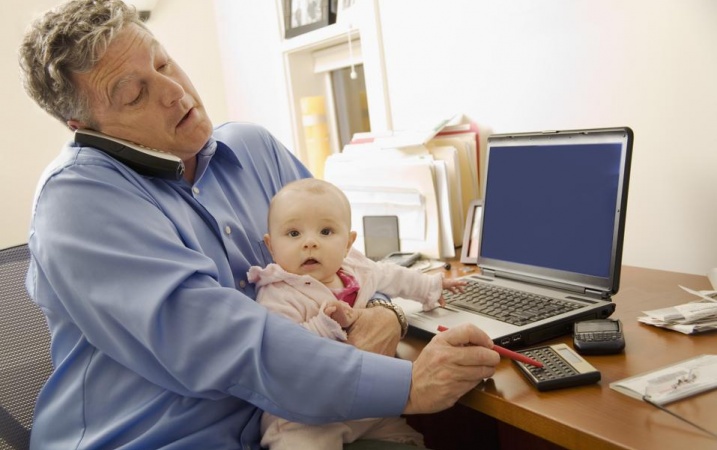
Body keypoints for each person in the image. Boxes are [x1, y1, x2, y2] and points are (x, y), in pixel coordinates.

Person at [18, 1, 500, 449]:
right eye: (134, 94)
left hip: (303, 421)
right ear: (83, 127)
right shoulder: (77, 200)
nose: (174, 92)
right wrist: (408, 385)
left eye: (162, 64)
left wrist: (386, 313)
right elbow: (223, 346)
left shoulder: (253, 149)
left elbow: (345, 266)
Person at [249, 178, 467, 449]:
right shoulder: (277, 292)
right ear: (271, 246)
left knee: (410, 440)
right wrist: (324, 323)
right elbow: (283, 353)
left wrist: (430, 285)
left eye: (326, 232)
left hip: (366, 409)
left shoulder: (357, 270)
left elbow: (391, 275)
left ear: (348, 243)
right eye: (294, 234)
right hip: (304, 419)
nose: (310, 243)